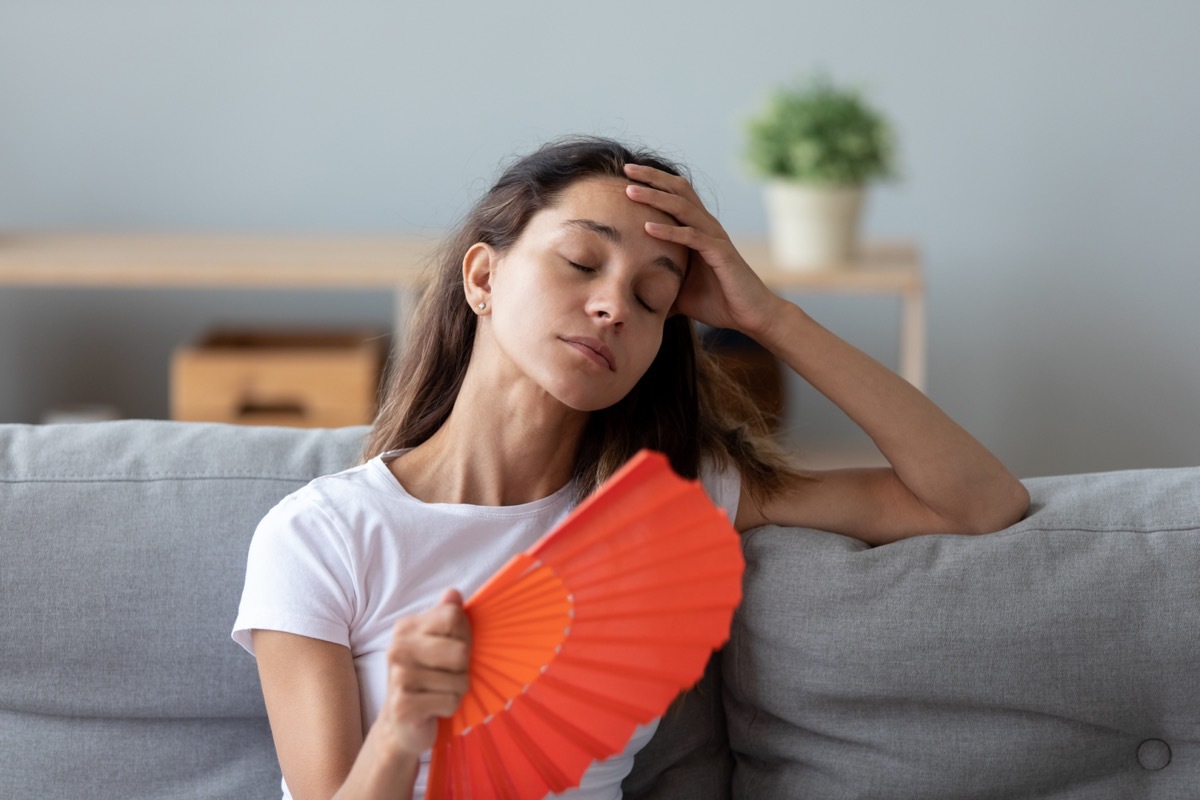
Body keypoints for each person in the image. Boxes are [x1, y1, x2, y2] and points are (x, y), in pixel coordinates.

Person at [232, 135, 1029, 800]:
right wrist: (405, 732)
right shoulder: (319, 538)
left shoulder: (666, 502)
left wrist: (769, 316)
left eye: (653, 300)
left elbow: (977, 501)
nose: (615, 306)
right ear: (482, 276)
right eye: (582, 263)